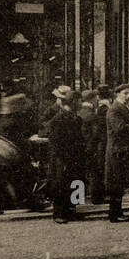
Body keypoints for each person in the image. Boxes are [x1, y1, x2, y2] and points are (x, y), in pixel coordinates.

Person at [0, 93, 36, 216]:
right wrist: (28, 144)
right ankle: (28, 201)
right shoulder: (14, 120)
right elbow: (18, 138)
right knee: (21, 174)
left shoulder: (4, 119)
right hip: (7, 151)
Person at [43, 86, 85, 223]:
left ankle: (71, 211)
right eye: (79, 102)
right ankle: (59, 213)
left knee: (74, 183)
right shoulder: (59, 119)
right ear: (73, 102)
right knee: (60, 185)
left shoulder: (76, 119)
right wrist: (62, 160)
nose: (81, 104)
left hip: (74, 158)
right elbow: (55, 143)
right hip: (62, 159)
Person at [105, 83, 129, 223]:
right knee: (116, 184)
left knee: (119, 184)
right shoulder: (115, 109)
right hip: (117, 151)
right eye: (125, 93)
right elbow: (120, 128)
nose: (128, 96)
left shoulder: (123, 108)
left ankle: (118, 212)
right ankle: (115, 214)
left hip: (122, 150)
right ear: (117, 93)